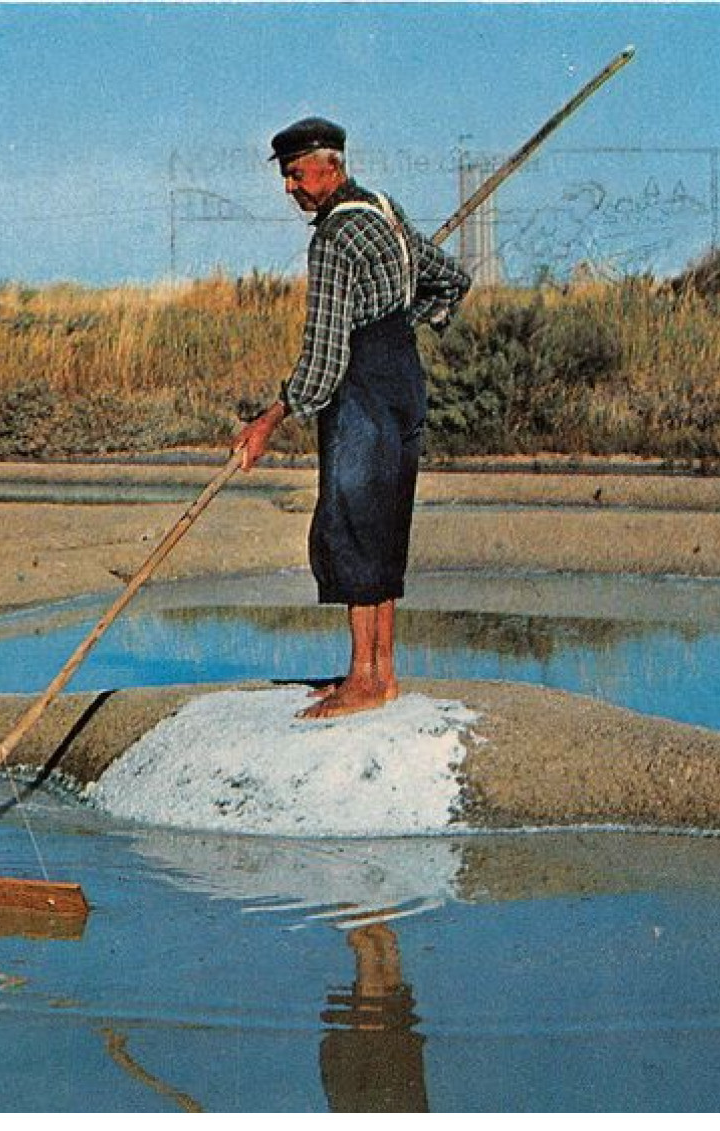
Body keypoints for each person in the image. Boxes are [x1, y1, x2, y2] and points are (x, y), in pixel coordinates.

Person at [233, 116, 471, 720]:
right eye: (286, 177)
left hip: (361, 391)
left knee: (355, 525)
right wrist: (403, 319)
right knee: (384, 522)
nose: (290, 189)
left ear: (330, 166)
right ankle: (382, 673)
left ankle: (363, 681)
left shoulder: (336, 238)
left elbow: (324, 354)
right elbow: (452, 279)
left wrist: (270, 419)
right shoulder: (383, 212)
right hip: (403, 381)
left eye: (295, 175)